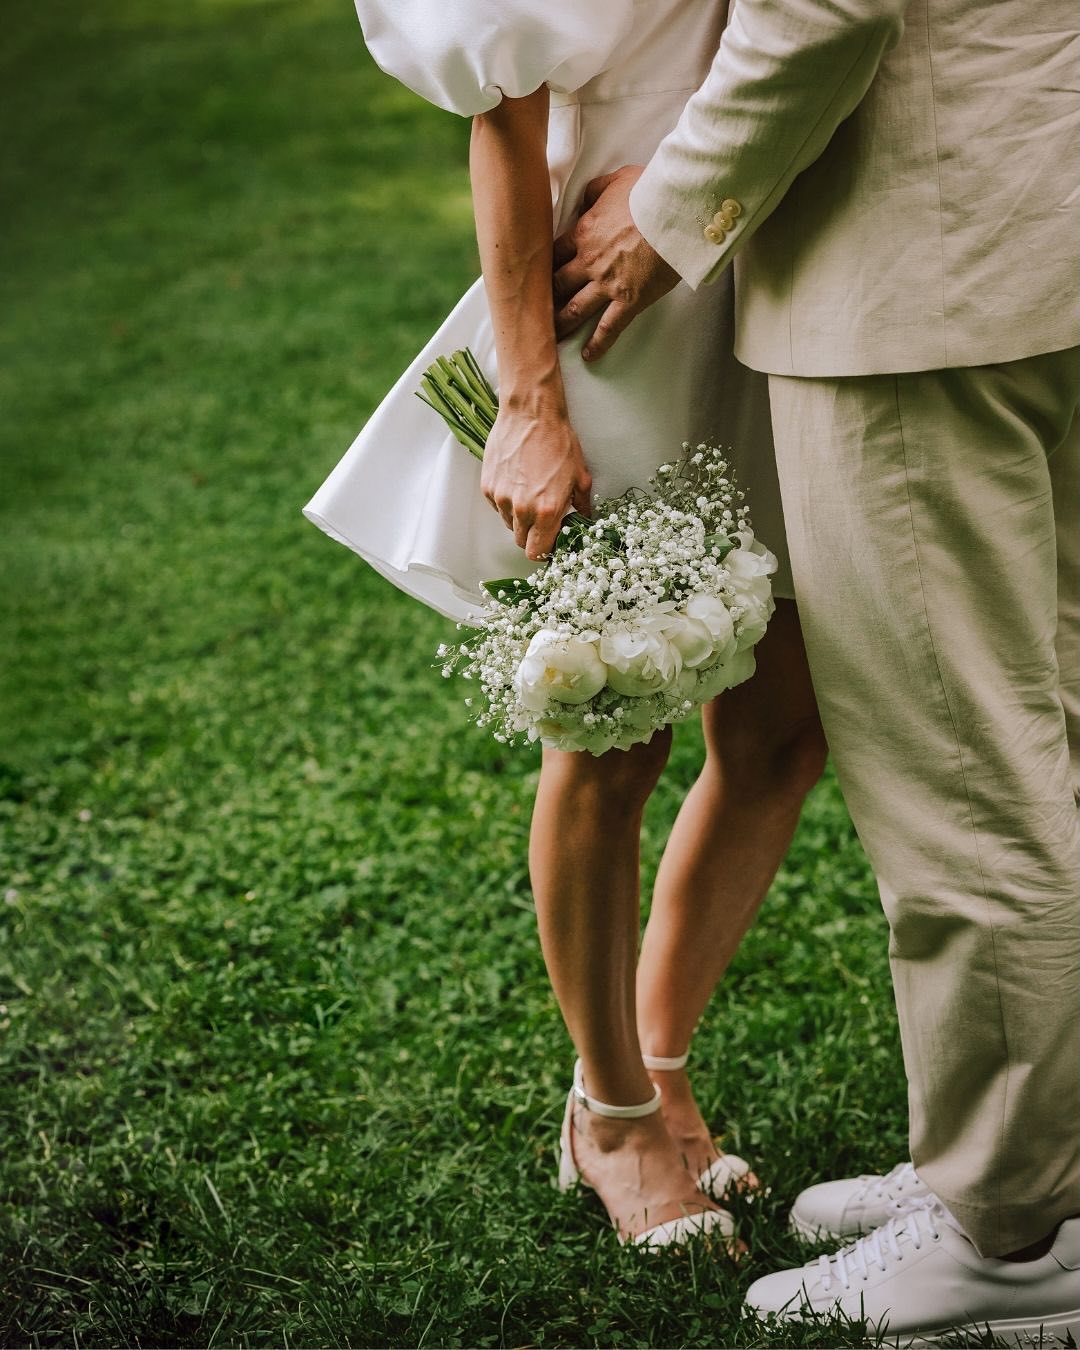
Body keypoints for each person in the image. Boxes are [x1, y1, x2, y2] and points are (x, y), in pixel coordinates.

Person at [552, 0, 1080, 1337]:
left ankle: (1013, 1239)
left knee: (967, 777)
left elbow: (827, 8)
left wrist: (663, 213)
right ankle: (1028, 1164)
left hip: (922, 278)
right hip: (1042, 227)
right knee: (1049, 736)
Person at [304, 0, 827, 1247]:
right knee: (616, 731)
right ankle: (608, 1111)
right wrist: (530, 397)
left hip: (795, 260)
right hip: (617, 295)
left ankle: (663, 1070)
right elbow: (507, 116)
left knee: (781, 734)